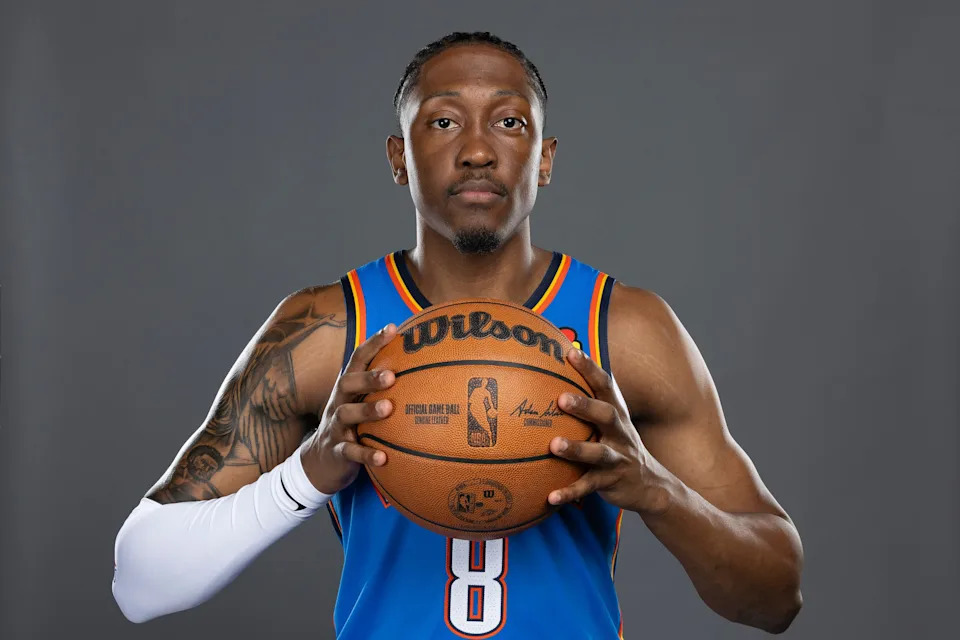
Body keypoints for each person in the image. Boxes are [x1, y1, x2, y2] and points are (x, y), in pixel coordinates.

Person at [112, 31, 803, 638]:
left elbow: (776, 598)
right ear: (398, 157)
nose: (477, 150)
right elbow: (139, 585)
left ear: (545, 159)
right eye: (443, 122)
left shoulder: (623, 330)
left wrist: (654, 488)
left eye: (508, 121)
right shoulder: (328, 329)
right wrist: (307, 474)